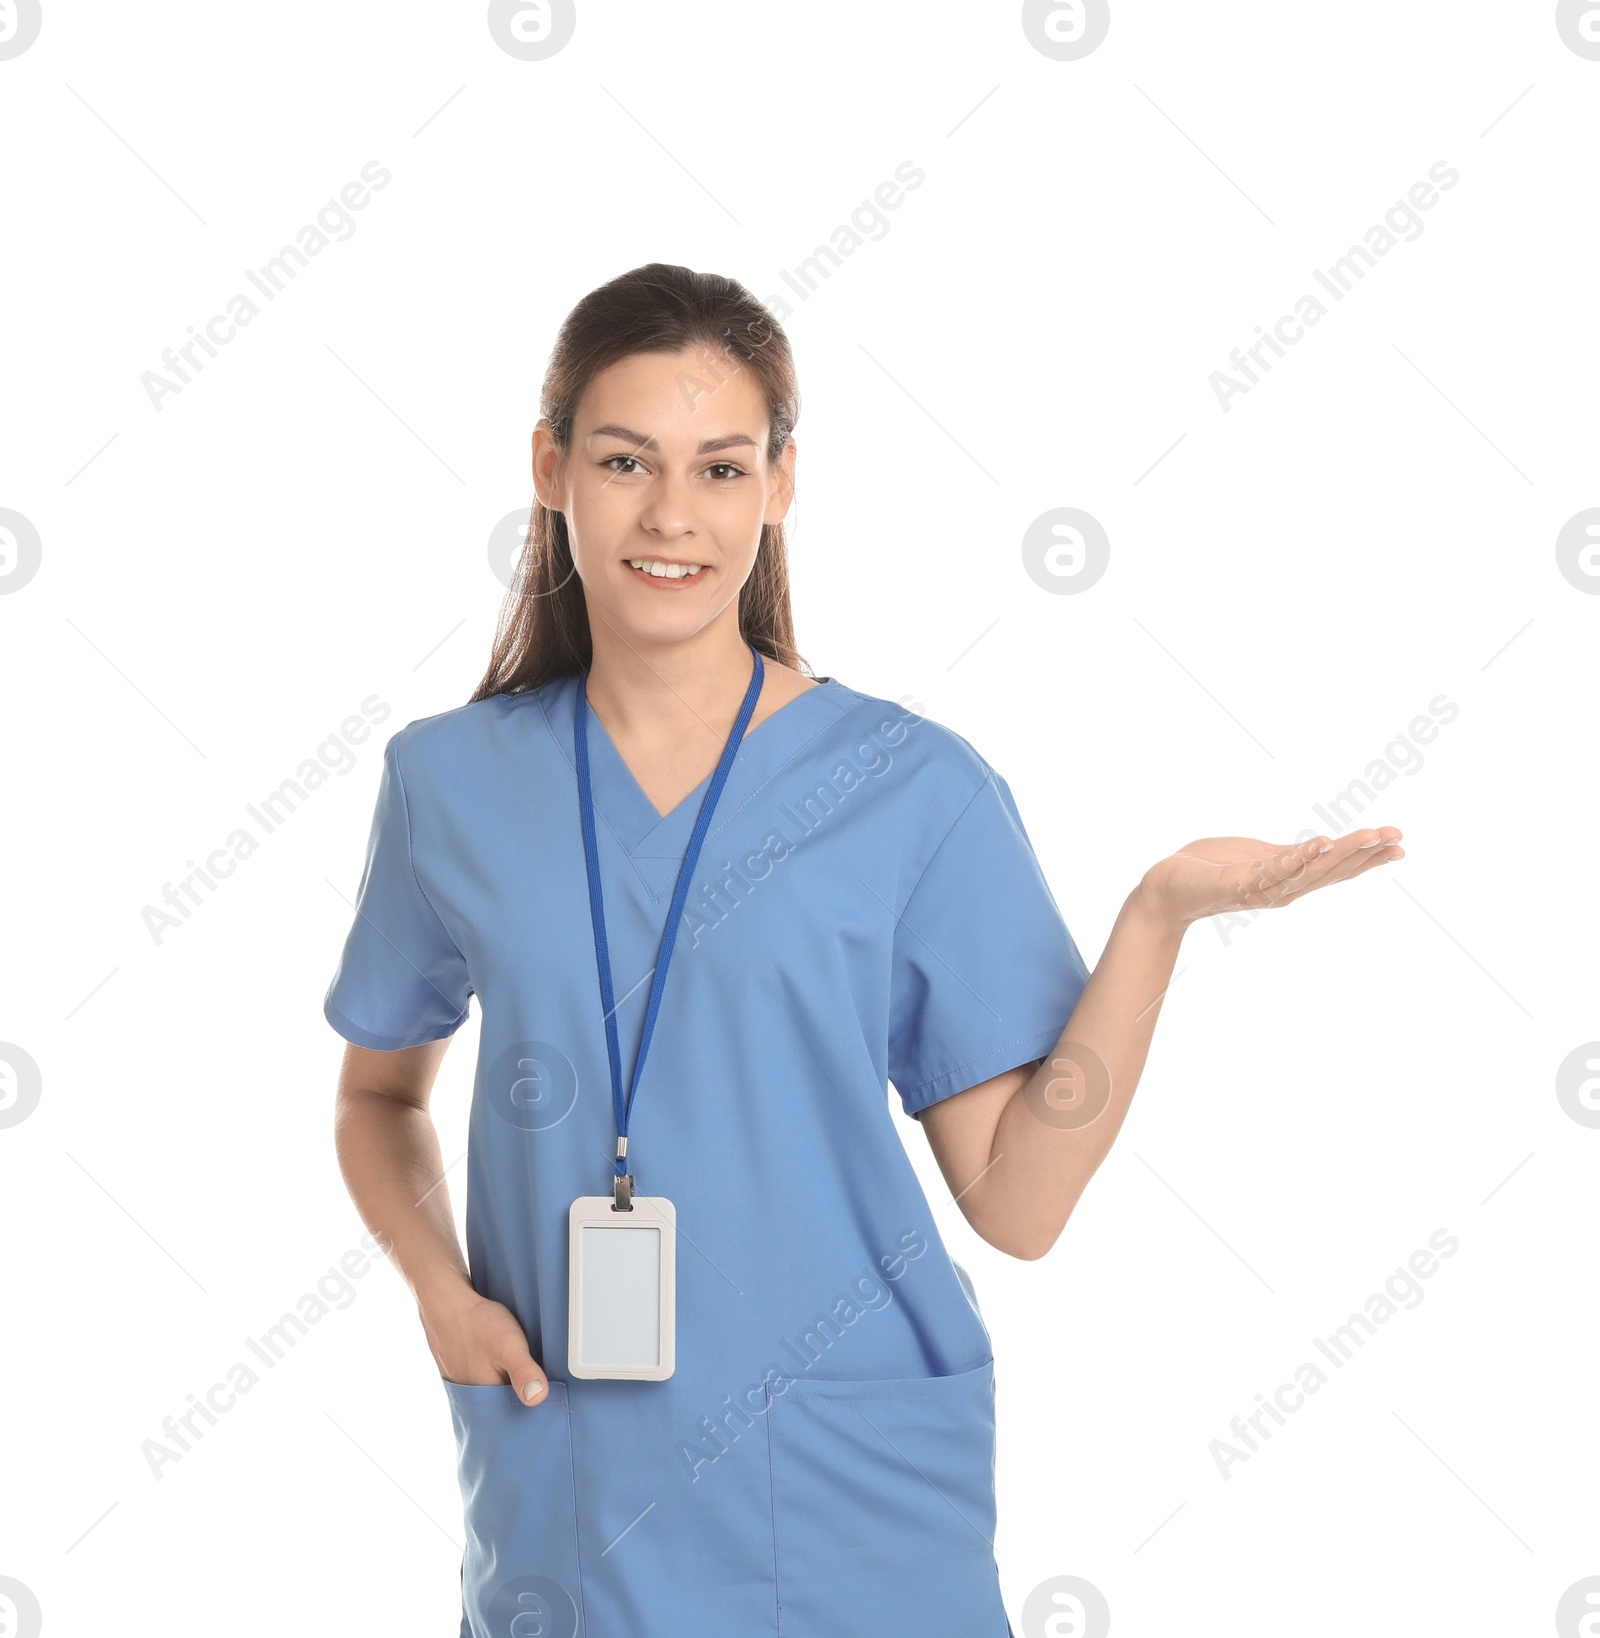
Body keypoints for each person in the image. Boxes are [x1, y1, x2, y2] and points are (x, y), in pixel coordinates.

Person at [324, 263, 1403, 1638]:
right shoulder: (449, 784)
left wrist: (1157, 916)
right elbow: (378, 1096)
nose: (671, 515)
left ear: (781, 484)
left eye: (721, 468)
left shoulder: (912, 787)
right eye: (623, 460)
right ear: (550, 468)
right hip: (572, 1494)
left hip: (859, 1507)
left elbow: (1017, 1204)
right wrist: (438, 1293)